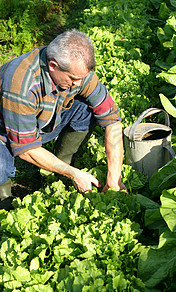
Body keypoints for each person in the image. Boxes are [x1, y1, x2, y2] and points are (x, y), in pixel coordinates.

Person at [0, 29, 127, 210]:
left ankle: (57, 173)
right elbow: (26, 149)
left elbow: (112, 120)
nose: (78, 83)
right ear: (53, 65)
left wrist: (113, 178)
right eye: (73, 79)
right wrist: (75, 174)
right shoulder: (20, 83)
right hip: (5, 131)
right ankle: (4, 205)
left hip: (40, 122)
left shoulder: (77, 72)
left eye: (81, 78)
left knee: (86, 110)